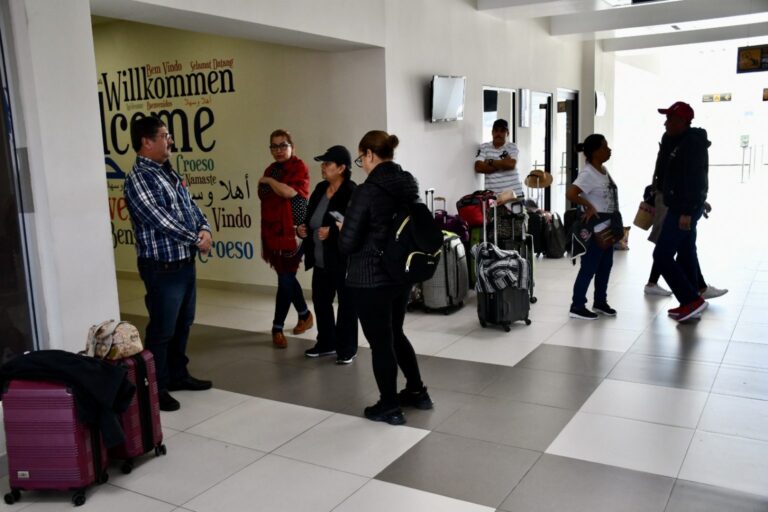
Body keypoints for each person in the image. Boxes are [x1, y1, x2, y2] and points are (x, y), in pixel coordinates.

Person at [339, 130, 432, 425]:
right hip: (400, 272)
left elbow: (348, 243)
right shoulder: (408, 183)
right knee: (396, 332)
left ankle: (389, 406)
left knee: (381, 341)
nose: (361, 165)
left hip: (370, 278)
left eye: (361, 158)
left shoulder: (366, 191)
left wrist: (343, 231)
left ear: (369, 154)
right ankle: (417, 391)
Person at [124, 116, 213, 412]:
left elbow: (190, 206)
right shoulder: (139, 178)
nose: (169, 140)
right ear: (146, 142)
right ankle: (157, 386)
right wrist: (195, 238)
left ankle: (178, 375)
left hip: (184, 264)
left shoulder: (167, 172)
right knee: (162, 330)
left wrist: (205, 228)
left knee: (183, 324)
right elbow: (161, 221)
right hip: (161, 268)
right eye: (164, 135)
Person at [297, 146, 359, 364]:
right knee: (321, 301)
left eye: (327, 164)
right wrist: (302, 229)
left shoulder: (352, 192)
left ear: (341, 168)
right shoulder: (320, 188)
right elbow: (311, 216)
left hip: (343, 260)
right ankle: (326, 343)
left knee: (346, 304)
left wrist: (332, 232)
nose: (323, 168)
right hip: (321, 258)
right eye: (322, 164)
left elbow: (356, 225)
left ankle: (347, 347)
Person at [651, 101, 711, 322]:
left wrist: (687, 211)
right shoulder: (672, 141)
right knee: (686, 253)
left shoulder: (692, 144)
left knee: (662, 255)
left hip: (683, 209)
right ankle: (692, 298)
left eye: (671, 119)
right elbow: (668, 173)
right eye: (666, 118)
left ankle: (690, 300)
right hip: (678, 205)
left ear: (683, 122)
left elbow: (695, 180)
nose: (666, 123)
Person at [258, 129, 313, 348]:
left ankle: (277, 327)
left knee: (285, 279)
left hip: (296, 232)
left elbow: (289, 193)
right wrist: (272, 184)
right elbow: (262, 194)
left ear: (292, 146)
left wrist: (269, 182)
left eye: (283, 145)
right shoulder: (272, 169)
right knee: (287, 277)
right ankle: (305, 314)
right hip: (274, 232)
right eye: (274, 146)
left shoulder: (298, 167)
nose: (278, 150)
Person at [566, 134, 618, 320]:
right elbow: (571, 193)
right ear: (595, 152)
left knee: (605, 267)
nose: (608, 149)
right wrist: (588, 205)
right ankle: (577, 305)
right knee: (589, 268)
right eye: (604, 147)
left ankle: (600, 302)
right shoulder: (588, 173)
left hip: (608, 228)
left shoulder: (602, 170)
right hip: (596, 230)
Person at [474, 119, 523, 201]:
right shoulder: (484, 147)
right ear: (492, 132)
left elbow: (511, 165)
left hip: (515, 195)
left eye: (502, 131)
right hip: (494, 198)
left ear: (507, 133)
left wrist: (490, 161)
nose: (498, 134)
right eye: (496, 131)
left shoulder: (512, 147)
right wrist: (503, 164)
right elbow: (478, 167)